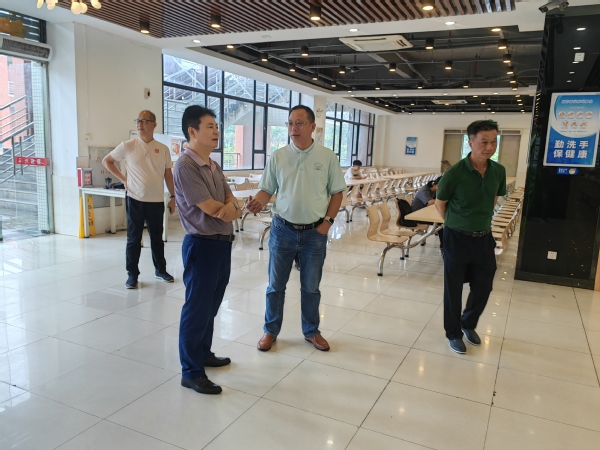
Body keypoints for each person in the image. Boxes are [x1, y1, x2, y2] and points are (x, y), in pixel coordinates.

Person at [246, 105, 346, 352]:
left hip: (314, 233)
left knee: (311, 287)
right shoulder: (278, 156)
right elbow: (267, 189)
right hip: (283, 230)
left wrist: (327, 223)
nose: (294, 128)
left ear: (312, 127)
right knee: (275, 286)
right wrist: (258, 201)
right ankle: (270, 331)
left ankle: (311, 331)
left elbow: (337, 193)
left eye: (299, 123)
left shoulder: (327, 157)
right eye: (290, 123)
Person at [173, 105, 243, 395]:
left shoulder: (213, 165)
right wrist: (232, 208)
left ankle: (203, 353)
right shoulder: (185, 166)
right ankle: (191, 372)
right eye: (210, 126)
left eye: (217, 126)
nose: (216, 131)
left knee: (211, 307)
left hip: (221, 244)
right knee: (197, 310)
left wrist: (232, 207)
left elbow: (231, 199)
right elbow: (216, 209)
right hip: (201, 245)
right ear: (192, 131)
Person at [435, 120, 506, 355]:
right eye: (484, 142)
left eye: (493, 141)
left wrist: (478, 220)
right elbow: (440, 204)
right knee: (453, 288)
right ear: (471, 142)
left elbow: (493, 199)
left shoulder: (498, 171)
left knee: (484, 285)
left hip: (484, 237)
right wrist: (457, 223)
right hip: (456, 238)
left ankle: (468, 322)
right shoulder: (454, 174)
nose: (489, 147)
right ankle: (453, 333)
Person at [103, 110, 176, 289]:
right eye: (138, 121)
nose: (139, 124)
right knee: (134, 239)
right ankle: (132, 274)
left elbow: (168, 174)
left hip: (156, 200)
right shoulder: (128, 145)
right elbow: (107, 161)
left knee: (157, 239)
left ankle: (160, 270)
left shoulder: (163, 149)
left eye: (144, 121)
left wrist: (173, 196)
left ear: (154, 124)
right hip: (134, 199)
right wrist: (123, 179)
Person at [411, 176, 444, 251]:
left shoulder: (433, 191)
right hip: (417, 216)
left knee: (441, 221)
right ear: (436, 185)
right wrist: (444, 199)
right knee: (441, 224)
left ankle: (444, 244)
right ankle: (443, 246)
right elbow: (431, 202)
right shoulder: (424, 190)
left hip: (424, 213)